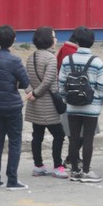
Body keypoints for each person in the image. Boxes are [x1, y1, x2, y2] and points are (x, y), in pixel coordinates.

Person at [0, 25, 30, 190]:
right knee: (14, 142)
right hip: (12, 106)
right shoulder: (15, 60)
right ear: (14, 40)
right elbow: (25, 83)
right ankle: (12, 179)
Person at [26, 25, 66, 178]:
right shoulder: (50, 58)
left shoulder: (32, 56)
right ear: (48, 40)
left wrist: (30, 92)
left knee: (37, 135)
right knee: (59, 134)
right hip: (48, 103)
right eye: (54, 36)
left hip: (34, 104)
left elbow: (25, 78)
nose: (56, 39)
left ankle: (38, 165)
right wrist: (36, 93)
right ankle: (58, 165)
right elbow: (49, 80)